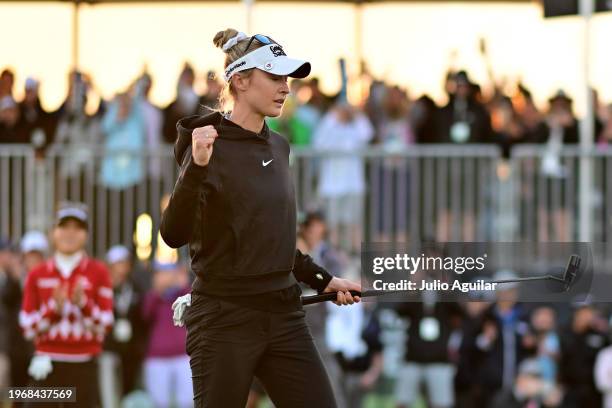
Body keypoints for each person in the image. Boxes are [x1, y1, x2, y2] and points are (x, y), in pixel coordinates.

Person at [160, 28, 361, 408]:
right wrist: (197, 167)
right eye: (274, 77)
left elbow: (275, 244)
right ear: (240, 80)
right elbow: (173, 233)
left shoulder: (279, 145)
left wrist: (324, 279)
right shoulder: (206, 145)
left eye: (286, 78)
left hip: (284, 313)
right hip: (223, 320)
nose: (285, 87)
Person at [19, 202, 113, 408]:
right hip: (47, 364)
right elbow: (26, 328)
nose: (70, 233)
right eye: (64, 226)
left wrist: (83, 305)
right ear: (54, 232)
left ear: (86, 234)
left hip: (85, 365)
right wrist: (54, 309)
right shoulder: (37, 274)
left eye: (77, 227)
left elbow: (106, 325)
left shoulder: (99, 272)